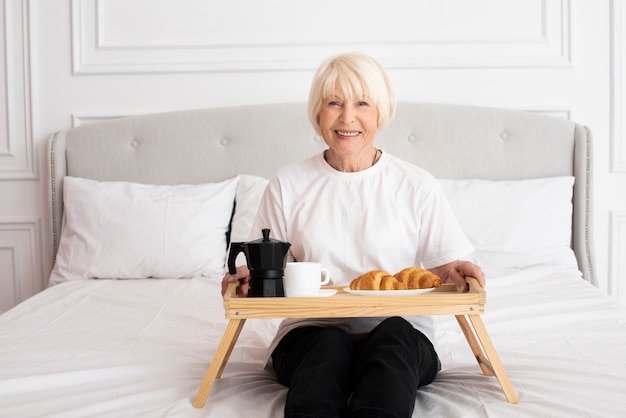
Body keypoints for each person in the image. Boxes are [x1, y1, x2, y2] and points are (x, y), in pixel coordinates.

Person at [221, 52, 485, 418]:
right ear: (318, 113)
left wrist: (459, 271)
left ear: (381, 111)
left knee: (392, 337)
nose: (348, 117)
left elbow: (446, 267)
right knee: (328, 344)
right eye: (334, 103)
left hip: (403, 333)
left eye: (362, 102)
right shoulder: (287, 183)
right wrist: (246, 281)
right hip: (309, 332)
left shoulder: (416, 184)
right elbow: (269, 274)